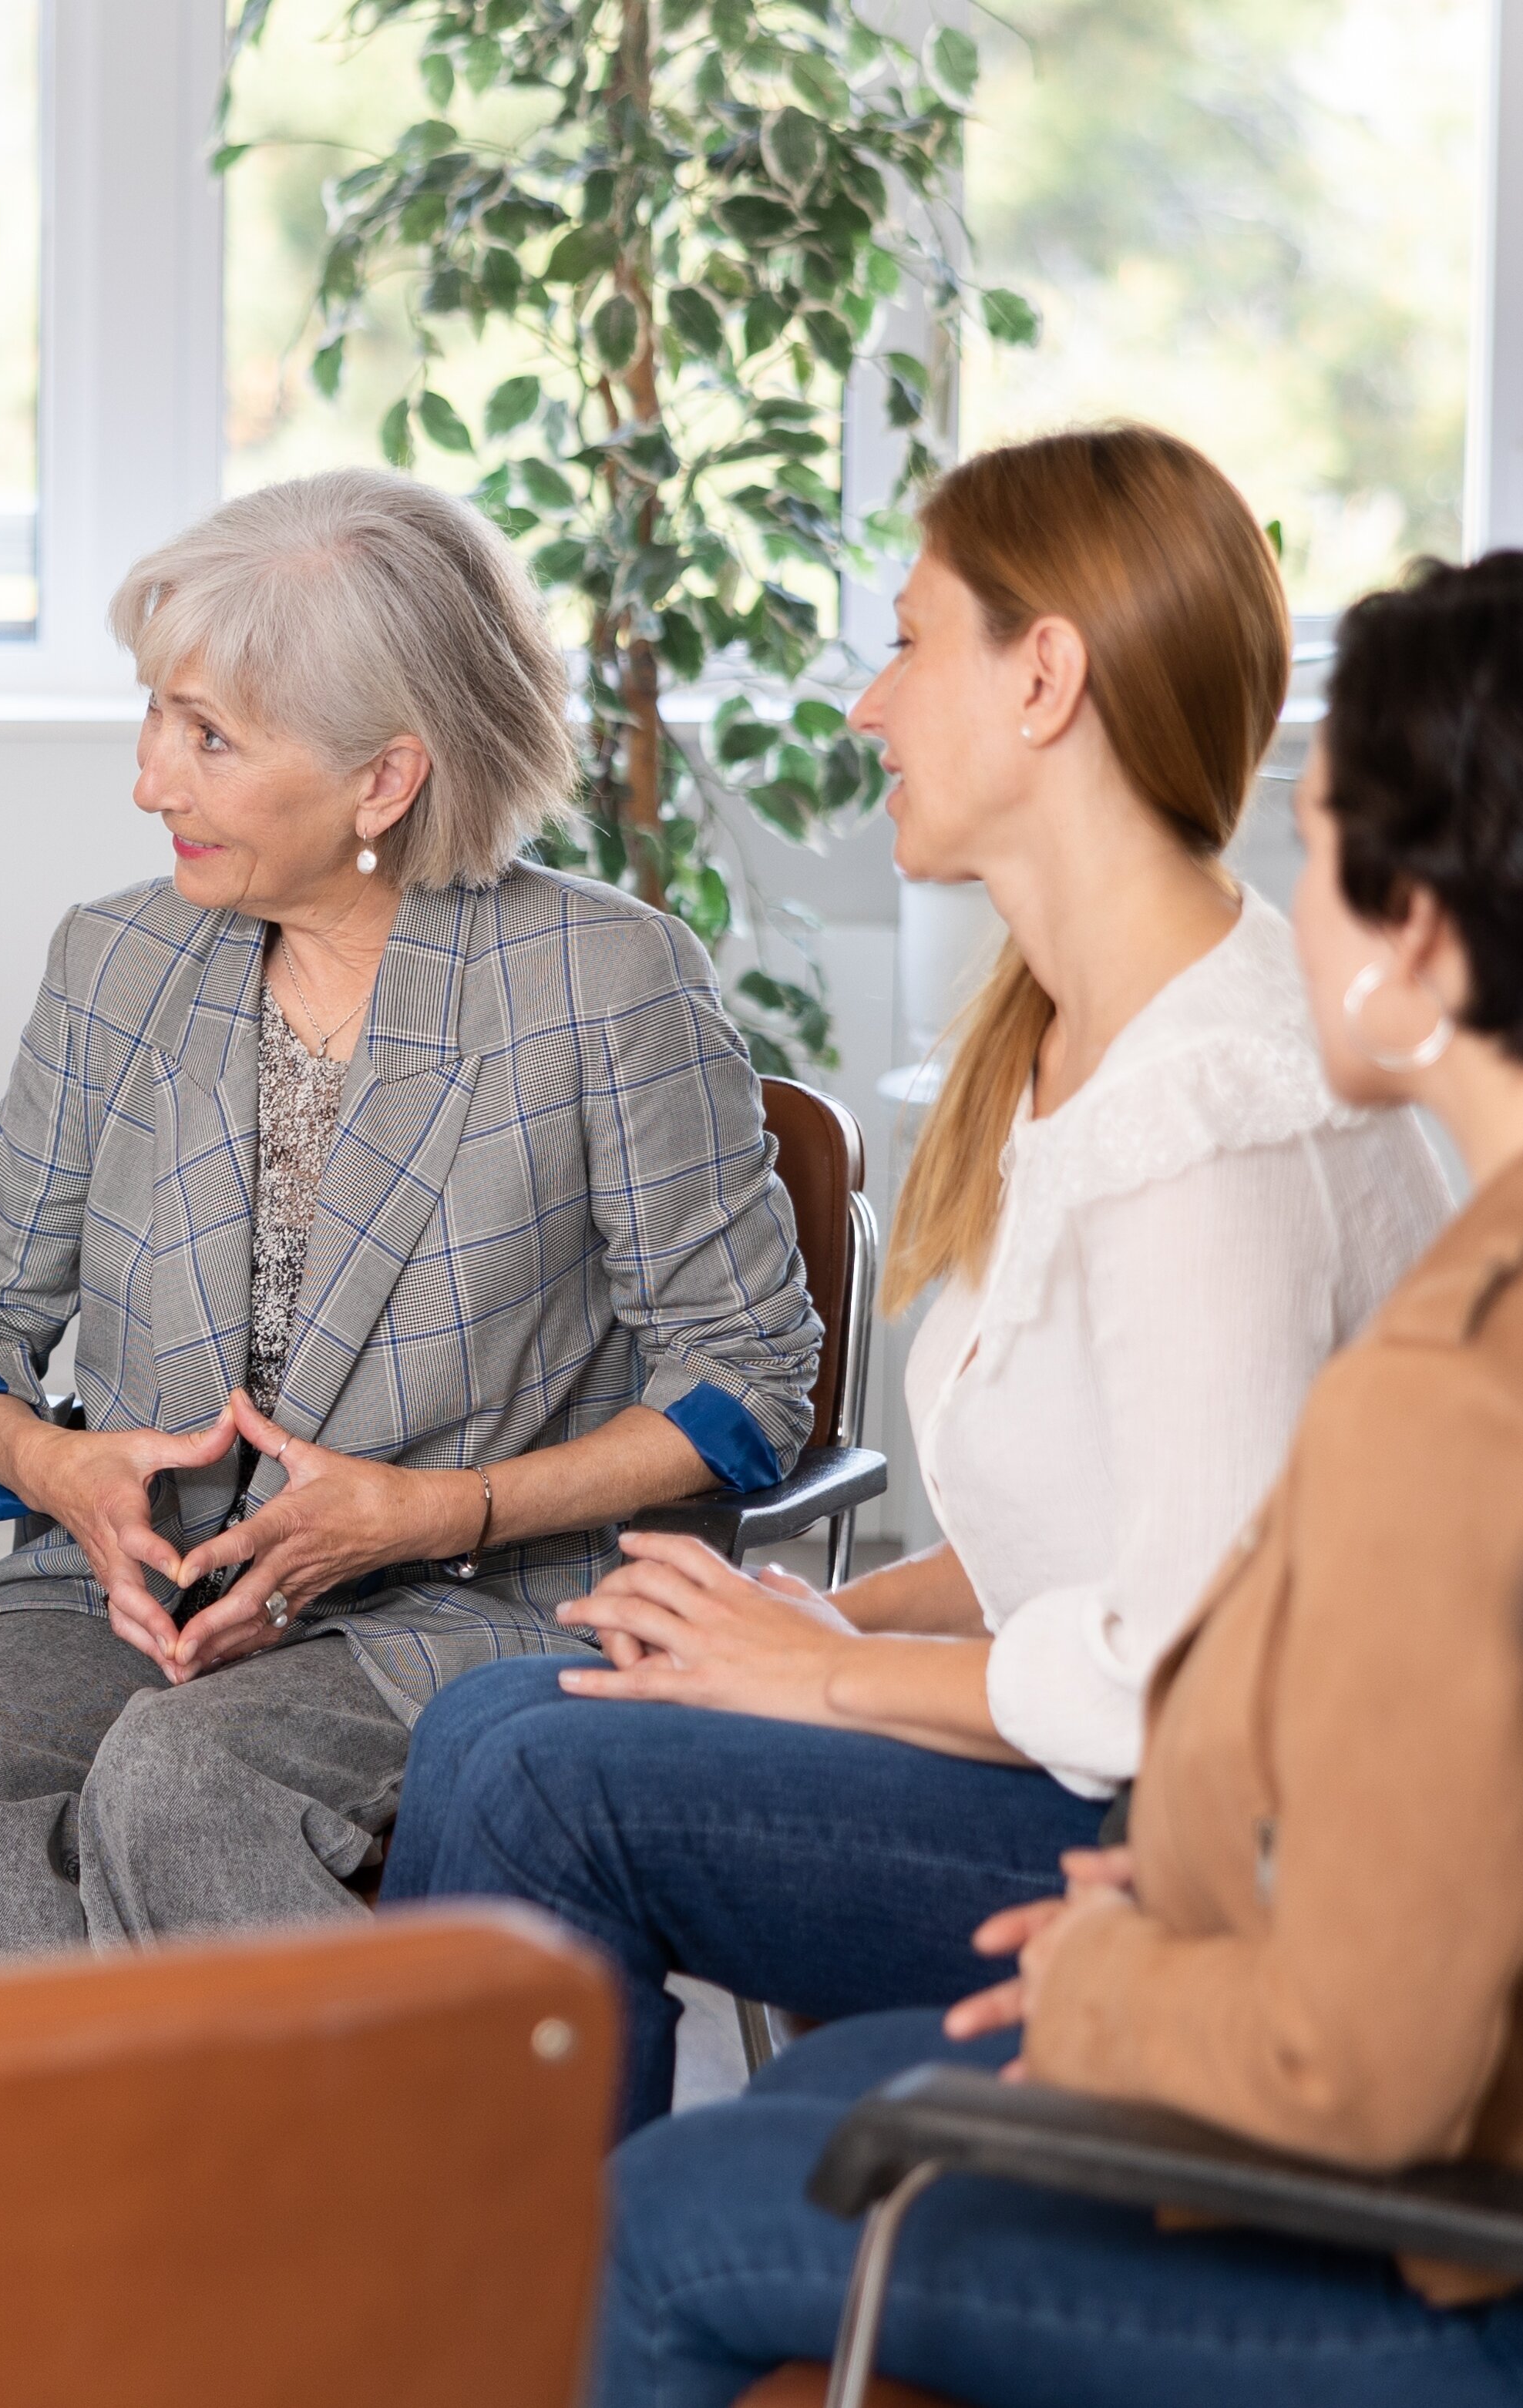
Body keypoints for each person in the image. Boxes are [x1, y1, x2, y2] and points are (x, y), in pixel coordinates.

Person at [382, 426, 1447, 2131]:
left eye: (903, 640)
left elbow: (1165, 1677)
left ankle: (478, 2334)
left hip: (1191, 1852)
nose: (867, 707)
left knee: (540, 1779)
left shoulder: (1202, 1112)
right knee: (513, 1702)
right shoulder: (1079, 1032)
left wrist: (812, 1672)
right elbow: (1120, 1518)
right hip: (1083, 1760)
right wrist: (814, 1620)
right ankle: (462, 2313)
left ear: (1044, 678)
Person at [593, 548, 1523, 2407]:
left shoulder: (1450, 1394)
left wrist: (1114, 1971)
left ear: (1416, 931)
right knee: (818, 2089)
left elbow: (1361, 2065)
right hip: (1296, 2012)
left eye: (1320, 838)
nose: (1286, 897)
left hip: (1448, 2273)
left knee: (658, 2226)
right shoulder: (1467, 1282)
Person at [0, 467, 825, 1959]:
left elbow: (747, 1382)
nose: (150, 780)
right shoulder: (116, 963)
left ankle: (331, 2182)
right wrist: (58, 1470)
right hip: (145, 1588)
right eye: (156, 715)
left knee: (179, 1784)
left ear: (384, 779)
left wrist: (434, 1508)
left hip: (473, 1601)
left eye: (210, 737)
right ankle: (80, 2197)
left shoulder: (604, 984)